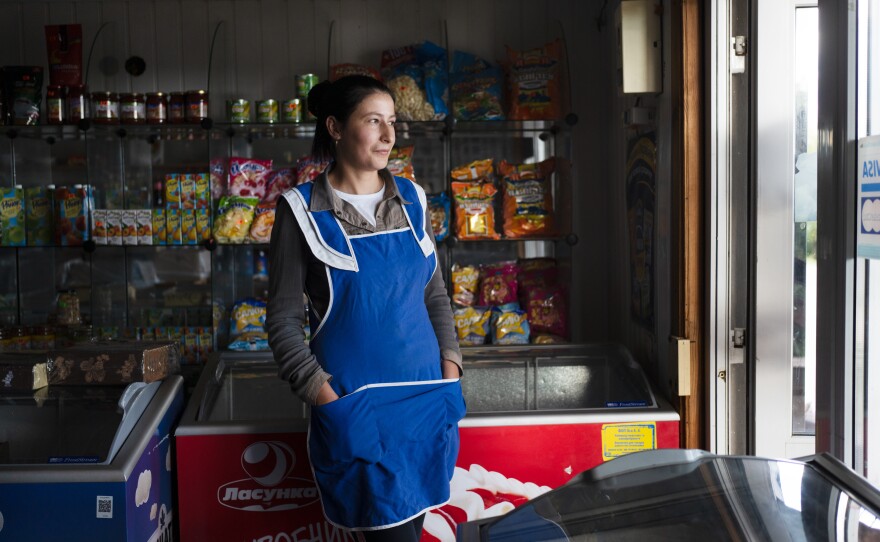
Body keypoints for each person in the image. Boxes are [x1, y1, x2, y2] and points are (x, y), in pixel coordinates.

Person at [266, 75, 465, 542]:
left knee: (412, 531)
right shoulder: (299, 211)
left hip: (425, 399)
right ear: (335, 128)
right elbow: (282, 320)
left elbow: (434, 294)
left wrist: (451, 369)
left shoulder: (413, 199)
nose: (389, 136)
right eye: (373, 121)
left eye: (392, 122)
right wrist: (325, 398)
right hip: (358, 407)